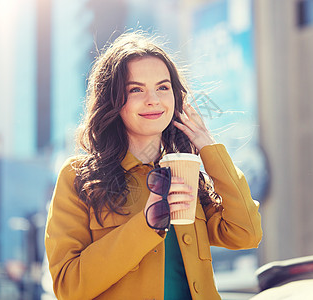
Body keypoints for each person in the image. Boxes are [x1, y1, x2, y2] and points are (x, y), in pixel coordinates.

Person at [45, 31, 262, 300]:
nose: (153, 100)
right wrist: (146, 224)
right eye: (136, 89)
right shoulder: (79, 177)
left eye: (163, 87)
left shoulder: (187, 173)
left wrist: (209, 150)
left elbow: (247, 234)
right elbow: (68, 287)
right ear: (113, 101)